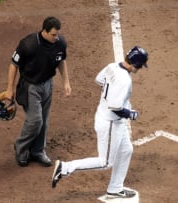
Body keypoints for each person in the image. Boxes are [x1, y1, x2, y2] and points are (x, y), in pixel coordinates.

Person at [51, 46, 148, 198]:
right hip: (110, 123)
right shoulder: (124, 80)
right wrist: (130, 114)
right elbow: (115, 106)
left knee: (126, 150)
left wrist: (111, 91)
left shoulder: (112, 66)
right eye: (140, 65)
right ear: (136, 64)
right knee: (105, 162)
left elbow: (99, 80)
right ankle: (64, 168)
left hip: (106, 116)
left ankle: (115, 188)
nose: (140, 68)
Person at [5, 16, 72, 167]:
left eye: (57, 34)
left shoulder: (60, 43)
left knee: (44, 120)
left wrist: (66, 81)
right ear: (45, 31)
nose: (56, 37)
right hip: (30, 86)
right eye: (54, 34)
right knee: (36, 120)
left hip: (48, 84)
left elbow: (61, 60)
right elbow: (13, 65)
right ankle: (21, 148)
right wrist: (10, 88)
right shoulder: (28, 44)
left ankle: (38, 151)